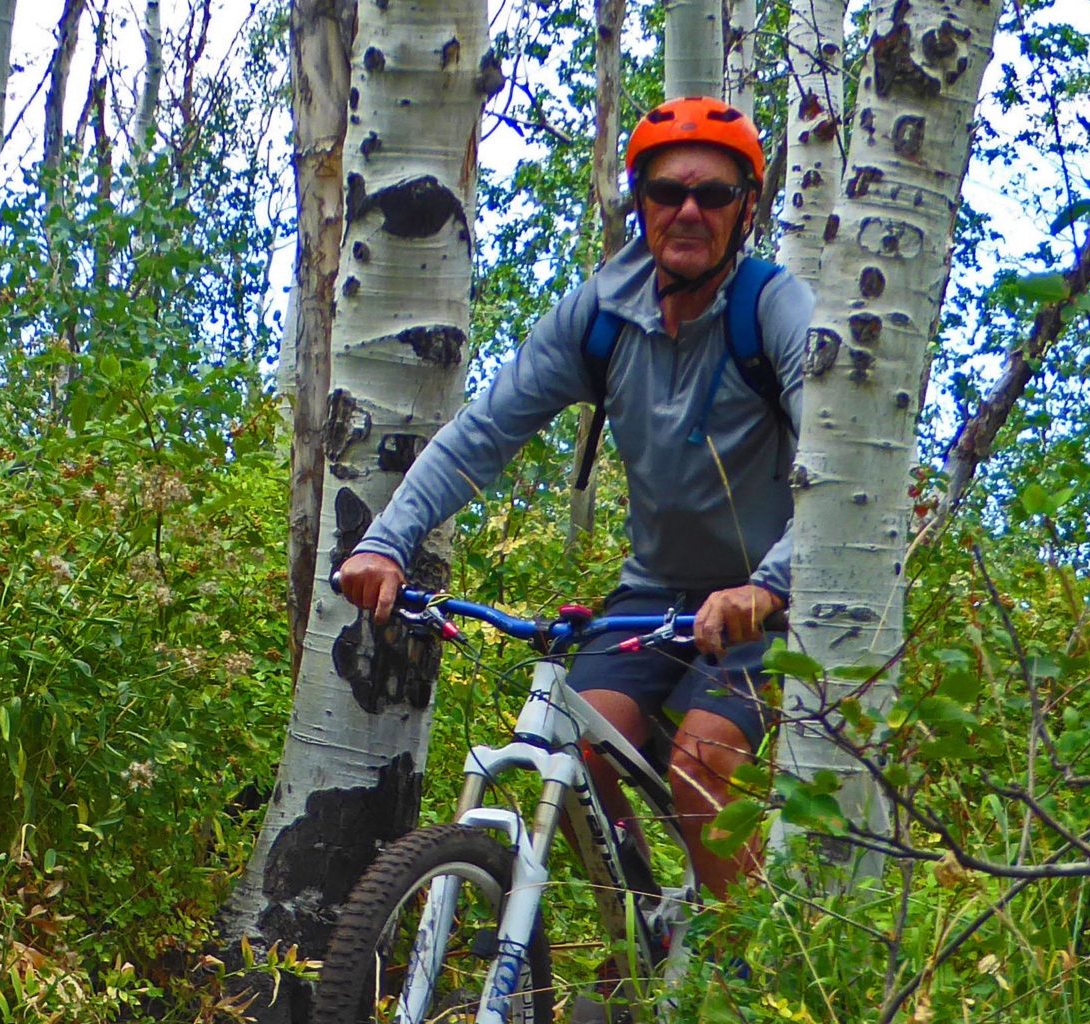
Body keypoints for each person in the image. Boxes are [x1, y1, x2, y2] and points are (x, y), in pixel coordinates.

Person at [333, 97, 809, 939]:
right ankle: (642, 938)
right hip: (652, 595)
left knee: (703, 763)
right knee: (578, 745)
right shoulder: (600, 313)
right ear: (640, 202)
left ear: (746, 207)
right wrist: (386, 540)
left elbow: (843, 475)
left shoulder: (770, 309)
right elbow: (483, 433)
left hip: (757, 600)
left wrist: (767, 589)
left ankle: (746, 977)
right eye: (666, 191)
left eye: (714, 193)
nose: (688, 210)